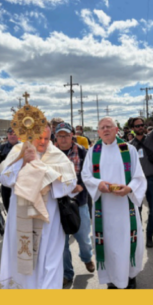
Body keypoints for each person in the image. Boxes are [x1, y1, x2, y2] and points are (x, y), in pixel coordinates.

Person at [0, 125, 78, 289]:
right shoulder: (18, 151)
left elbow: (70, 184)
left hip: (49, 218)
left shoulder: (57, 156)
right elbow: (5, 180)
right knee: (21, 258)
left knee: (50, 260)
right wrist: (22, 162)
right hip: (20, 214)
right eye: (38, 137)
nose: (42, 142)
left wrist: (42, 170)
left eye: (46, 138)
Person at [81, 117, 146, 289]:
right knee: (109, 243)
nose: (105, 129)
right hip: (104, 209)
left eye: (108, 126)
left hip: (125, 207)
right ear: (98, 132)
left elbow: (139, 177)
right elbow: (86, 176)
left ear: (116, 129)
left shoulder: (128, 149)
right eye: (102, 127)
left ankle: (130, 277)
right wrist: (98, 184)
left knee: (127, 241)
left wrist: (129, 189)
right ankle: (112, 279)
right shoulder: (93, 151)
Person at [55, 123, 95, 287]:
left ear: (72, 135)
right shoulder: (50, 154)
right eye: (60, 135)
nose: (63, 139)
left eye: (66, 135)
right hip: (57, 205)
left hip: (79, 202)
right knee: (61, 243)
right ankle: (67, 273)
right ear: (55, 137)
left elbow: (91, 174)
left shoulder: (83, 152)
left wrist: (82, 187)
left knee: (83, 238)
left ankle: (86, 258)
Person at [128, 98, 153, 249]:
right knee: (136, 211)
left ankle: (150, 237)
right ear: (132, 128)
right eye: (137, 125)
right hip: (136, 182)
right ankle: (137, 234)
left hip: (152, 179)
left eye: (142, 125)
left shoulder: (151, 137)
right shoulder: (129, 146)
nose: (140, 127)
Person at [0, 128, 18, 237]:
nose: (12, 136)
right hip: (6, 186)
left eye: (14, 134)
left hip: (20, 186)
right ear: (7, 135)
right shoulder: (2, 147)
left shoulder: (24, 147)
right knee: (9, 208)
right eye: (10, 134)